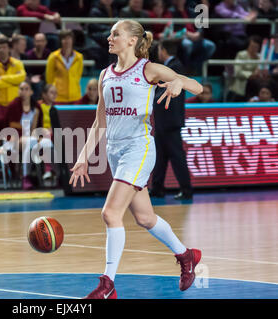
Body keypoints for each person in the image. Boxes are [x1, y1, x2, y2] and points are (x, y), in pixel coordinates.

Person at [68, 19, 203, 299]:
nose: (109, 37)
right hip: (115, 151)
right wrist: (83, 156)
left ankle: (108, 285)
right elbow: (99, 121)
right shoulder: (106, 74)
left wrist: (177, 81)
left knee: (110, 213)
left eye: (115, 34)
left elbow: (197, 87)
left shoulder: (148, 69)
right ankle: (186, 255)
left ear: (132, 40)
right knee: (144, 217)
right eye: (110, 33)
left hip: (138, 149)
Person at [150, 39, 193, 200]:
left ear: (164, 50)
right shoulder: (173, 67)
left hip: (170, 121)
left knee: (176, 156)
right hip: (164, 120)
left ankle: (186, 189)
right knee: (161, 156)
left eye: (159, 49)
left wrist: (151, 100)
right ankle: (157, 187)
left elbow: (167, 92)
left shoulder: (174, 67)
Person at [4, 81, 53, 189]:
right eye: (21, 89)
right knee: (30, 141)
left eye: (26, 89)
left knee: (47, 141)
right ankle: (25, 177)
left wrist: (38, 134)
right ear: (18, 91)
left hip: (31, 138)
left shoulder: (36, 108)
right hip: (14, 139)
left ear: (31, 92)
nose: (23, 91)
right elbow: (8, 128)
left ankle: (49, 172)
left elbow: (37, 128)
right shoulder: (13, 106)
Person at [0, 35, 27, 135]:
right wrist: (13, 80)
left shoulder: (18, 63)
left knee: (16, 128)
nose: (2, 50)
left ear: (9, 48)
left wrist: (3, 78)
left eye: (4, 47)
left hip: (13, 101)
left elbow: (22, 78)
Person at [168, 0, 216, 73]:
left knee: (210, 46)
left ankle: (196, 68)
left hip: (195, 37)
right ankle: (186, 69)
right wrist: (187, 34)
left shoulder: (191, 10)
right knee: (187, 44)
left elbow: (199, 26)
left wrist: (198, 33)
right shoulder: (171, 11)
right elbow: (174, 28)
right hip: (182, 37)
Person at [45, 29, 83, 104]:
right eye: (64, 38)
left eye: (69, 38)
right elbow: (49, 79)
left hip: (75, 96)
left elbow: (78, 76)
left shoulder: (79, 57)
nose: (67, 41)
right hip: (58, 97)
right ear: (60, 41)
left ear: (72, 40)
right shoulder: (53, 57)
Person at [227, 35, 262, 102]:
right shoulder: (241, 54)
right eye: (251, 46)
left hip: (254, 87)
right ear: (248, 45)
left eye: (255, 47)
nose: (253, 49)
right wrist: (250, 75)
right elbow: (237, 72)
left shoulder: (260, 57)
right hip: (240, 87)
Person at [25, 33, 51, 100]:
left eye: (42, 41)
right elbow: (27, 71)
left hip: (45, 77)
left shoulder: (49, 54)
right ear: (34, 42)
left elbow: (50, 69)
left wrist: (42, 76)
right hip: (32, 78)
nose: (40, 43)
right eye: (37, 41)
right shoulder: (28, 55)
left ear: (46, 42)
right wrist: (31, 78)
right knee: (38, 85)